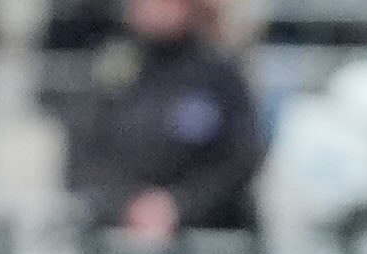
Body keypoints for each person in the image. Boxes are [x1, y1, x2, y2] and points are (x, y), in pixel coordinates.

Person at [68, 0, 263, 235]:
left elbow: (241, 158)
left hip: (206, 232)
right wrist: (128, 204)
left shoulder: (219, 73)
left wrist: (179, 205)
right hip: (117, 231)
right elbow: (83, 155)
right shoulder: (111, 68)